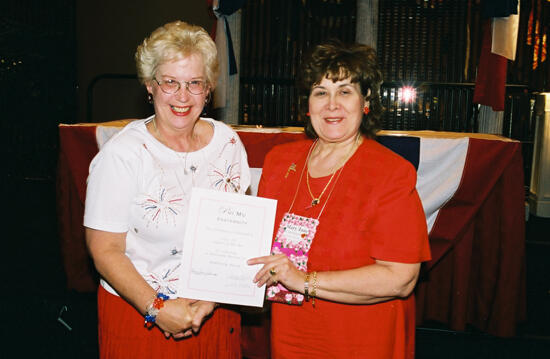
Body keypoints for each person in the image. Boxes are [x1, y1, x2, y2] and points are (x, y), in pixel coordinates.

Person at [247, 39, 431, 359]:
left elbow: (401, 278)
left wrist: (303, 281)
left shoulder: (390, 173)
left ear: (366, 101)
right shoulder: (279, 162)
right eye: (321, 92)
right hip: (290, 335)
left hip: (360, 342)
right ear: (308, 104)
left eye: (345, 91)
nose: (332, 104)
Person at [84, 20, 250, 358]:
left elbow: (238, 235)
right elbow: (104, 251)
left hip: (214, 314)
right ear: (150, 85)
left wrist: (210, 300)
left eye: (194, 83)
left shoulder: (228, 143)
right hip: (143, 319)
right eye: (170, 82)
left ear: (210, 88)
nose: (182, 96)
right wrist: (156, 308)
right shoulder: (123, 154)